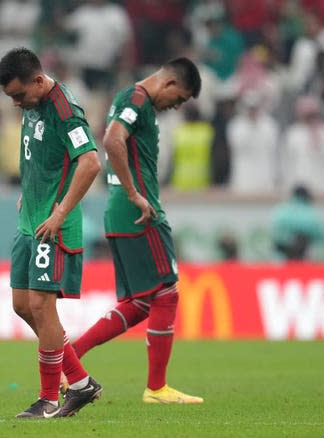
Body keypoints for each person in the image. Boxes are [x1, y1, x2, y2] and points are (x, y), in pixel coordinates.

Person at [71, 57, 204, 404]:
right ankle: (157, 388)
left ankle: (70, 357)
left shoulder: (129, 99)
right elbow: (112, 140)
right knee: (166, 293)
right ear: (171, 84)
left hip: (120, 211)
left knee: (142, 300)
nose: (177, 105)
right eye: (181, 98)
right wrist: (135, 194)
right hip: (138, 211)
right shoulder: (138, 99)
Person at [0, 47, 102, 419]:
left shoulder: (64, 110)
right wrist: (29, 190)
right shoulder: (33, 103)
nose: (15, 104)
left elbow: (90, 162)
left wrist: (60, 212)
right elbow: (44, 155)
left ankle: (48, 399)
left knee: (42, 305)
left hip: (52, 225)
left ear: (38, 81)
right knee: (23, 306)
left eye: (19, 95)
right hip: (31, 219)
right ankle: (82, 383)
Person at [271, 185, 324, 261]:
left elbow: (274, 234)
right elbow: (321, 236)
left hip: (282, 260)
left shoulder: (280, 211)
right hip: (303, 259)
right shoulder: (310, 213)